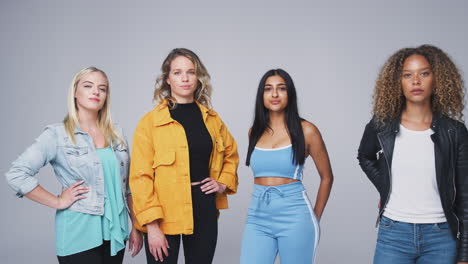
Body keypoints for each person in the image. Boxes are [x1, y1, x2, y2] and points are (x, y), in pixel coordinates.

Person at [5, 67, 142, 263]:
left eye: (102, 88)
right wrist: (58, 201)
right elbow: (17, 174)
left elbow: (127, 186)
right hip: (78, 233)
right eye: (88, 86)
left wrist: (135, 225)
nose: (96, 92)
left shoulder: (116, 133)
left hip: (114, 234)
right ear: (75, 93)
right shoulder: (57, 135)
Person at [358, 44, 468, 264]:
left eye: (424, 73)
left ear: (437, 79)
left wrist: (464, 255)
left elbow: (465, 197)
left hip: (441, 236)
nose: (415, 81)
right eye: (407, 75)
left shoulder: (454, 131)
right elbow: (365, 156)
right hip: (394, 233)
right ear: (397, 82)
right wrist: (386, 187)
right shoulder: (381, 125)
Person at [130, 48, 239, 264]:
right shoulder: (150, 123)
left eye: (191, 72)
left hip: (204, 208)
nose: (185, 78)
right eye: (178, 72)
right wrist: (151, 226)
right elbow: (140, 178)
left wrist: (222, 183)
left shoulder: (212, 120)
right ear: (168, 79)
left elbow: (231, 155)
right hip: (163, 214)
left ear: (198, 78)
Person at [240, 69, 334, 264]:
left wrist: (314, 217)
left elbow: (327, 177)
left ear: (289, 94)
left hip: (295, 217)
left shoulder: (307, 130)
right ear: (262, 95)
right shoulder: (254, 132)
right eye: (268, 89)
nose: (274, 94)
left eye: (281, 88)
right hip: (258, 217)